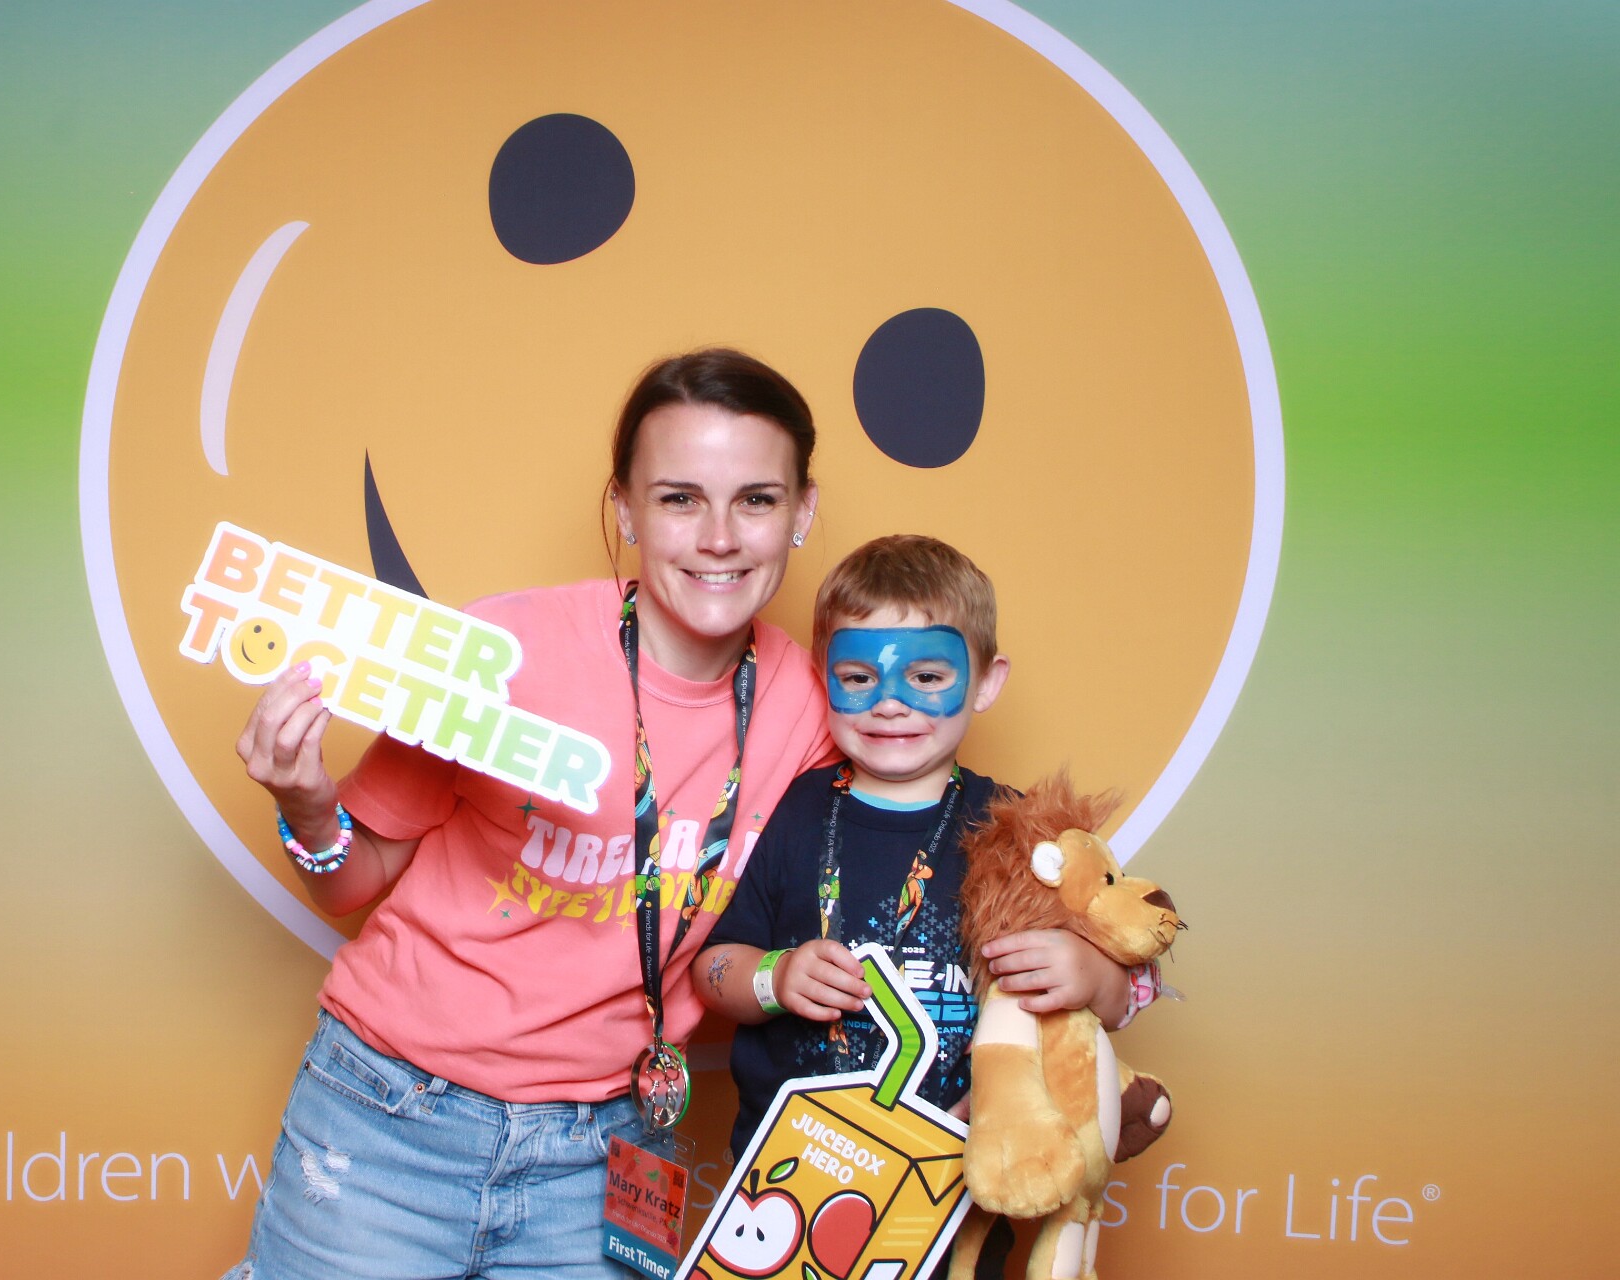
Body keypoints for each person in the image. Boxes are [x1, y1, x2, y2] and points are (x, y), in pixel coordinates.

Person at [222, 349, 834, 1280]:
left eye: (756, 499)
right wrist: (306, 805)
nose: (719, 537)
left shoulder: (813, 706)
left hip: (613, 1151)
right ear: (624, 509)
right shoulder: (504, 649)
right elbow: (355, 881)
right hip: (391, 1117)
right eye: (679, 499)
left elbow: (920, 838)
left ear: (803, 513)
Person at [690, 533, 1138, 1194]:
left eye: (927, 678)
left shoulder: (1022, 831)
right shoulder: (788, 808)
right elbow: (711, 969)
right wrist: (775, 977)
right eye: (858, 678)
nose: (889, 703)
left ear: (986, 682)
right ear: (822, 674)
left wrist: (1094, 974)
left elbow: (1126, 995)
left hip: (954, 1188)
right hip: (784, 1183)